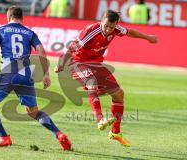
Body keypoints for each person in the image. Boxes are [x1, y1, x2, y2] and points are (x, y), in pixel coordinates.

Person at [0, 6, 71, 150]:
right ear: (22, 18)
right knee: (33, 111)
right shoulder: (30, 33)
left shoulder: (1, 30)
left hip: (9, 72)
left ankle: (4, 137)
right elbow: (41, 50)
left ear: (8, 17)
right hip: (26, 74)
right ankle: (58, 133)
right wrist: (46, 74)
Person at [55, 10, 157, 147]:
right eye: (106, 26)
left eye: (112, 27)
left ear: (116, 25)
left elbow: (130, 32)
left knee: (119, 94)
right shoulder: (91, 31)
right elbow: (72, 48)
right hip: (78, 62)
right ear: (102, 21)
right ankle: (100, 119)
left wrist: (147, 37)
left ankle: (115, 132)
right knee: (92, 83)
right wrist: (61, 64)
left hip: (96, 63)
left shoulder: (116, 29)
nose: (108, 29)